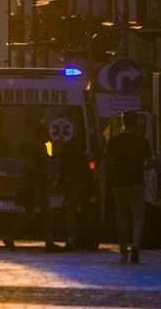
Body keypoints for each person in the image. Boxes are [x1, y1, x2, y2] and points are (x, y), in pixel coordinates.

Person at [104, 110, 153, 264]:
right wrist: (141, 168)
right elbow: (150, 163)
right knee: (138, 216)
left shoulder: (114, 140)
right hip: (136, 182)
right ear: (136, 122)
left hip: (119, 183)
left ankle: (124, 253)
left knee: (122, 216)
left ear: (123, 121)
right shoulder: (142, 141)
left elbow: (106, 164)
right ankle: (136, 245)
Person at [3, 123, 59, 252]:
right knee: (39, 214)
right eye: (45, 133)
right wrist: (45, 175)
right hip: (36, 186)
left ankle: (48, 242)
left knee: (39, 214)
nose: (47, 135)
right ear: (40, 135)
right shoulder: (37, 149)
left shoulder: (42, 147)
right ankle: (11, 237)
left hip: (39, 186)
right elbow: (33, 168)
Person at [58, 139, 95, 251]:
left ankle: (71, 239)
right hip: (86, 186)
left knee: (71, 212)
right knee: (86, 213)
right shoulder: (84, 158)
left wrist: (61, 185)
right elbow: (91, 173)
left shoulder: (67, 158)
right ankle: (87, 239)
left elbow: (63, 174)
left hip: (74, 185)